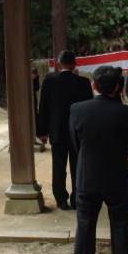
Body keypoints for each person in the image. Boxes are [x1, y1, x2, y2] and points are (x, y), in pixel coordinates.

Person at [67, 66, 128, 254]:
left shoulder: (77, 109)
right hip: (117, 174)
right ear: (118, 86)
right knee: (120, 226)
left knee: (85, 225)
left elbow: (75, 143)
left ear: (93, 85)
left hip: (87, 175)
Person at [37, 50, 93, 210]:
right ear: (75, 64)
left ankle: (61, 200)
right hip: (78, 131)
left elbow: (44, 109)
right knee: (78, 166)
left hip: (57, 131)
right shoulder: (83, 83)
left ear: (58, 65)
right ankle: (77, 199)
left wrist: (42, 131)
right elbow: (89, 109)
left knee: (58, 167)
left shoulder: (49, 83)